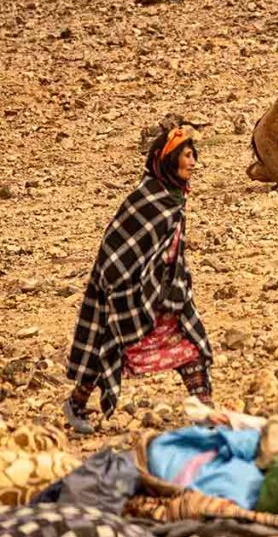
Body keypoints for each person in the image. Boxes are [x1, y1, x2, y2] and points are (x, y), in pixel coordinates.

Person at [63, 125, 214, 434]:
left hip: (167, 287)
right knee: (112, 344)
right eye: (187, 155)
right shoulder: (146, 198)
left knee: (190, 341)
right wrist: (123, 287)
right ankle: (77, 402)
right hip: (131, 290)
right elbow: (115, 247)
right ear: (168, 159)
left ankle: (205, 411)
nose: (193, 162)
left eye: (194, 155)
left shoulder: (174, 196)